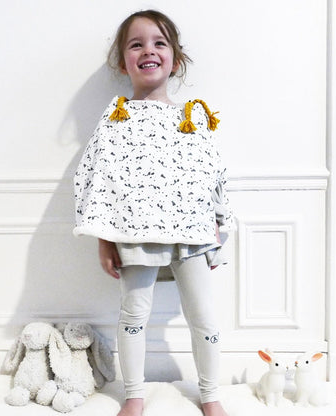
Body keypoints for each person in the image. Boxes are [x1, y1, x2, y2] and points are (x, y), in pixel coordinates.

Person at [73, 9, 234, 416]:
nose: (148, 51)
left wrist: (218, 228)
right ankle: (133, 395)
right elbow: (100, 178)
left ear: (175, 59)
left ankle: (211, 394)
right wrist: (104, 238)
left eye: (159, 43)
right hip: (134, 231)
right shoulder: (116, 117)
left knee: (203, 316)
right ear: (122, 62)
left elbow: (213, 175)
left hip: (192, 232)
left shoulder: (194, 116)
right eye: (136, 44)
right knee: (134, 313)